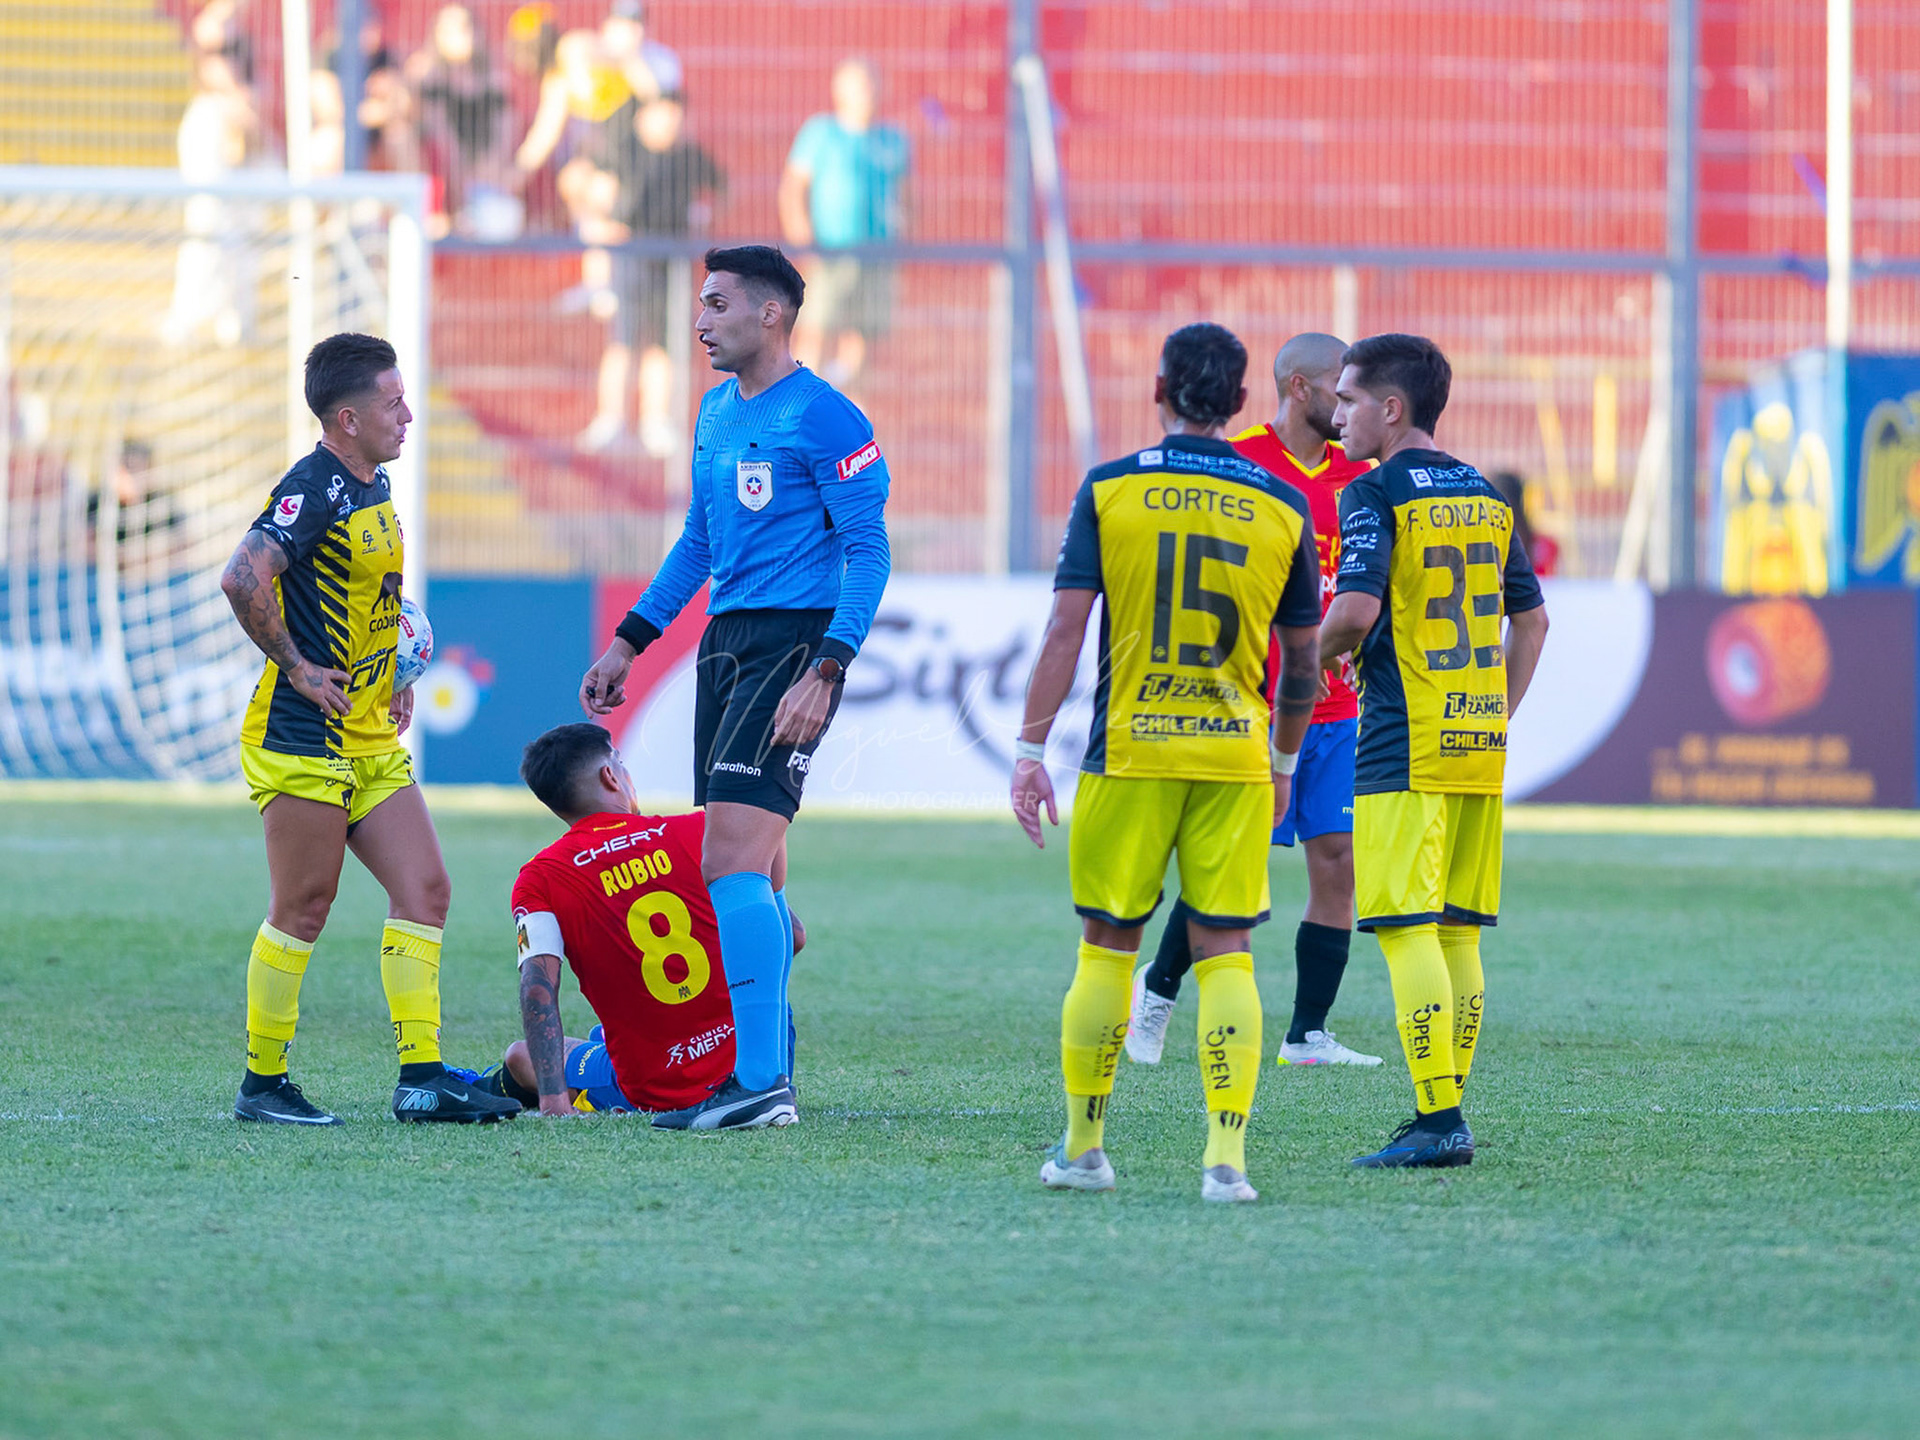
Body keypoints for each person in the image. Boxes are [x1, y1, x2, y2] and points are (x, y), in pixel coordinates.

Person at [578, 245, 891, 1130]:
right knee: (758, 866)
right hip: (726, 643)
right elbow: (698, 546)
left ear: (771, 315)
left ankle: (758, 1087)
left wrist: (827, 667)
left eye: (717, 304)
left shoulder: (826, 417)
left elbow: (869, 550)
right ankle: (769, 1066)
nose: (701, 319)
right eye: (700, 303)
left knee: (727, 864)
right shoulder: (716, 412)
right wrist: (630, 643)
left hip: (795, 644)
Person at [1010, 322, 1323, 1204]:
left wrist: (1031, 751)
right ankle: (1226, 1162)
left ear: (1159, 390)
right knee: (1227, 954)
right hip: (1232, 758)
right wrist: (1284, 761)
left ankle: (1082, 1149)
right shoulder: (1281, 503)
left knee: (1108, 946)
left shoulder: (1112, 490)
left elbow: (1066, 631)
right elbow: (1301, 664)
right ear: (1239, 405)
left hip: (1130, 751)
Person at [218, 333, 517, 1127]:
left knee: (426, 889)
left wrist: (393, 674)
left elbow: (368, 596)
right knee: (305, 907)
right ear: (346, 418)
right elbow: (242, 575)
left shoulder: (372, 484)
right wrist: (298, 667)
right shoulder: (312, 488)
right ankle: (264, 1083)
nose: (408, 415)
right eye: (393, 403)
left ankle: (420, 1076)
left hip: (370, 734)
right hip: (304, 736)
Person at [1318, 334, 1550, 1168]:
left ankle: (1438, 1117)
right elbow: (1533, 621)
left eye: (1348, 400)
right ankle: (1446, 1109)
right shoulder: (1486, 495)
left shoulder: (1373, 493)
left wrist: (1311, 670)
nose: (1336, 415)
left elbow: (1351, 612)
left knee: (1406, 928)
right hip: (1475, 738)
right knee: (1459, 933)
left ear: (1391, 408)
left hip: (1403, 740)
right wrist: (1497, 714)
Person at [1126, 333, 1385, 1071]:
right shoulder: (1239, 465)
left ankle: (1308, 1033)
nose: (1346, 404)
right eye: (1338, 388)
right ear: (1298, 389)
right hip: (1253, 702)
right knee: (1231, 867)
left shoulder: (1357, 475)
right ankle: (1160, 988)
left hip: (1335, 708)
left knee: (1337, 863)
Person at [484, 723, 802, 1122]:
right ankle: (757, 1084)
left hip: (660, 1083)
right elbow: (794, 936)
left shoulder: (540, 879)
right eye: (621, 761)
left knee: (520, 1055)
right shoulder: (703, 833)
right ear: (610, 776)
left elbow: (538, 986)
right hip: (764, 1061)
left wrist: (553, 1101)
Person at [576, 92, 726, 455]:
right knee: (624, 340)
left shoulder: (687, 156)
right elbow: (591, 194)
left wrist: (703, 216)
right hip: (629, 257)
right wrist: (602, 230)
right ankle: (610, 418)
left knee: (663, 343)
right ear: (646, 117)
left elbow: (721, 188)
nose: (670, 125)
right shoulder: (622, 151)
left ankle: (655, 420)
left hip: (670, 262)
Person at [777, 58, 910, 390]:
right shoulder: (821, 133)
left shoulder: (893, 139)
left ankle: (850, 415)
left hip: (877, 254)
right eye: (858, 85)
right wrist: (804, 240)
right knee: (817, 328)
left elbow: (908, 196)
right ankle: (804, 407)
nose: (867, 93)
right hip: (829, 252)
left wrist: (904, 237)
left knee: (862, 334)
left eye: (871, 84)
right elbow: (792, 189)